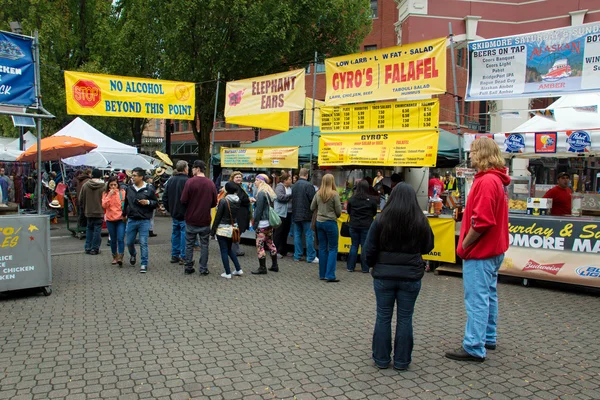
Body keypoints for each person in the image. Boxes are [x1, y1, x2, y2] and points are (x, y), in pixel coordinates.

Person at [445, 137, 510, 363]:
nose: (470, 156)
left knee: (477, 298)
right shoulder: (497, 180)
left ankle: (474, 345)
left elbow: (482, 222)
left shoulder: (486, 181)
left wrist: (464, 245)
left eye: (472, 152)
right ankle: (487, 337)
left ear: (482, 154)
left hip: (481, 251)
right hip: (494, 249)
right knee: (488, 294)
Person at [364, 183, 435, 371]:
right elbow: (428, 246)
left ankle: (381, 359)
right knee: (405, 318)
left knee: (383, 317)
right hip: (410, 277)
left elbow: (369, 249)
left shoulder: (381, 219)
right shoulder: (420, 220)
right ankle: (402, 361)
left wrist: (372, 265)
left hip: (384, 276)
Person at [181, 160, 217, 276]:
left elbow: (183, 200)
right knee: (204, 245)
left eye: (193, 168)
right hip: (205, 219)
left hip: (191, 218)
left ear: (197, 169)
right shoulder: (210, 183)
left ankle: (188, 267)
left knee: (189, 244)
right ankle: (203, 268)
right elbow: (214, 203)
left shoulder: (190, 182)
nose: (191, 170)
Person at [124, 167, 159, 273]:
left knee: (143, 242)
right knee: (129, 242)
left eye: (135, 175)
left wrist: (148, 202)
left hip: (144, 220)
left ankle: (144, 263)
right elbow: (126, 203)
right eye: (132, 175)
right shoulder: (129, 188)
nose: (132, 177)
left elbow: (156, 203)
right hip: (132, 219)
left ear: (141, 177)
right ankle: (133, 254)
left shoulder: (149, 188)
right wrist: (124, 214)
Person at [310, 174, 342, 282]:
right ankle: (330, 275)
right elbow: (338, 211)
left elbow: (312, 207)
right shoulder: (334, 194)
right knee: (333, 248)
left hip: (319, 222)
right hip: (331, 222)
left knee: (322, 248)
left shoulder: (318, 193)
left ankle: (322, 274)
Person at [211, 182, 244, 279]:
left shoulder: (223, 201)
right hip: (233, 228)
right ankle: (238, 269)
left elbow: (218, 216)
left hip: (222, 229)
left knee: (224, 250)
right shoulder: (238, 200)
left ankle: (227, 272)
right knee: (229, 249)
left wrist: (213, 230)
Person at [347, 180, 378, 273]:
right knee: (365, 246)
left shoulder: (352, 199)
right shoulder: (371, 200)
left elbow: (349, 211)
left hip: (354, 225)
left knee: (354, 245)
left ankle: (350, 267)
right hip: (366, 225)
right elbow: (374, 212)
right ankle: (365, 268)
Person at [251, 174, 279, 274]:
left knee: (260, 245)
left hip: (262, 223)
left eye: (256, 180)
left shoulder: (261, 193)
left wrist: (255, 224)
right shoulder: (269, 191)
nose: (255, 182)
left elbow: (258, 211)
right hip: (269, 223)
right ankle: (275, 265)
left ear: (261, 181)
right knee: (270, 243)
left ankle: (262, 268)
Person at [162, 160, 189, 265]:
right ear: (185, 168)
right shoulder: (187, 181)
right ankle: (183, 256)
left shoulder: (171, 180)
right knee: (184, 234)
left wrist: (169, 208)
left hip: (174, 212)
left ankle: (174, 255)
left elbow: (165, 197)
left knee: (175, 233)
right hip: (185, 212)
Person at [291, 168, 318, 264]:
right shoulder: (309, 185)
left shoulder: (294, 186)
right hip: (307, 214)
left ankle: (297, 255)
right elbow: (313, 200)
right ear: (306, 175)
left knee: (297, 235)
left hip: (296, 214)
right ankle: (310, 257)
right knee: (309, 235)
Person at [80, 169, 106, 255]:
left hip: (88, 211)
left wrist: (84, 208)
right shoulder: (104, 186)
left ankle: (88, 247)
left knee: (89, 229)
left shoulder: (85, 185)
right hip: (99, 211)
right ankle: (95, 249)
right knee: (97, 231)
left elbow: (80, 199)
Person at [102, 176, 126, 266]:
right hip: (110, 219)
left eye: (115, 185)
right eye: (111, 185)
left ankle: (120, 257)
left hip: (120, 219)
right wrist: (109, 195)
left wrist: (125, 215)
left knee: (120, 238)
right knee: (113, 239)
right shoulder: (105, 193)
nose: (113, 187)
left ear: (117, 185)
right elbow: (104, 205)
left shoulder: (122, 192)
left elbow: (125, 204)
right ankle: (114, 256)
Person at [229, 171, 252, 257]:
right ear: (232, 178)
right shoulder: (234, 188)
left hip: (241, 212)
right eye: (237, 177)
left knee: (238, 231)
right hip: (238, 212)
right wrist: (249, 200)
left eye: (240, 177)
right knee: (237, 231)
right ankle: (235, 250)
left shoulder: (239, 186)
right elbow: (238, 199)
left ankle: (233, 248)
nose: (239, 178)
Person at [273, 172, 293, 258]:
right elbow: (280, 197)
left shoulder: (290, 187)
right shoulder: (279, 187)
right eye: (289, 179)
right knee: (278, 232)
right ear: (285, 180)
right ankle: (275, 251)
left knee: (285, 232)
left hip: (288, 213)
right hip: (281, 213)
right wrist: (291, 196)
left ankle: (283, 250)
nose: (291, 180)